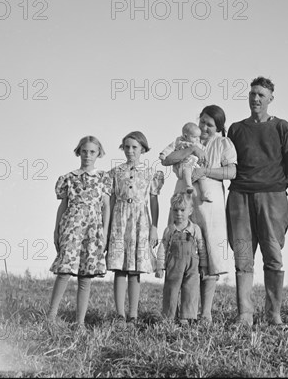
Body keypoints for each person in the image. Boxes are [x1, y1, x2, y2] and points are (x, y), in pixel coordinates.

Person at [226, 77, 288, 326]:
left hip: (273, 197)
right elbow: (228, 162)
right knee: (243, 257)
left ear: (270, 99)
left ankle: (273, 313)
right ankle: (244, 313)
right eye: (252, 94)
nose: (255, 99)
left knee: (273, 255)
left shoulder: (282, 127)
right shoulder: (236, 129)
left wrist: (274, 187)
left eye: (261, 95)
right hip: (240, 197)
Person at [160, 105, 237, 323]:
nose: (204, 127)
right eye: (202, 121)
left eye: (210, 125)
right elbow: (166, 159)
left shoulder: (223, 143)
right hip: (184, 197)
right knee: (179, 248)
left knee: (209, 252)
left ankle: (205, 313)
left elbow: (231, 171)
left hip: (209, 201)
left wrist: (205, 171)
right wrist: (192, 150)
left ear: (219, 128)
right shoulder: (186, 139)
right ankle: (177, 312)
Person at [48, 135, 111, 328]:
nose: (87, 155)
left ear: (98, 153)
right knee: (64, 271)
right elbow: (62, 206)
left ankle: (80, 322)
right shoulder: (68, 178)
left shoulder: (103, 178)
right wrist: (57, 230)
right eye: (84, 151)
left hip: (93, 230)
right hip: (71, 227)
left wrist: (105, 233)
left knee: (86, 276)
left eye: (92, 152)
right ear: (79, 152)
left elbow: (106, 207)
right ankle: (51, 316)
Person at [105, 131, 164, 324]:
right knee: (120, 267)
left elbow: (153, 201)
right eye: (127, 147)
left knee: (135, 269)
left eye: (135, 147)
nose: (131, 151)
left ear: (143, 149)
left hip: (140, 219)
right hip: (120, 219)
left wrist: (154, 226)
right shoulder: (115, 173)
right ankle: (120, 313)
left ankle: (133, 314)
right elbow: (112, 200)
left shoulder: (149, 173)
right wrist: (107, 228)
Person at [155, 192, 208, 324]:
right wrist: (160, 266)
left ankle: (186, 316)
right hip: (174, 263)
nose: (179, 213)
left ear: (190, 211)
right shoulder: (170, 230)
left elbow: (201, 247)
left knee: (190, 289)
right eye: (175, 210)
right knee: (171, 289)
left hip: (192, 265)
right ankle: (169, 316)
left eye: (182, 210)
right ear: (171, 210)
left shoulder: (195, 229)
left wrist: (204, 264)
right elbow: (163, 247)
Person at [163, 122, 212, 202]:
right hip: (184, 164)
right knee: (187, 171)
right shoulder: (179, 142)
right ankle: (188, 186)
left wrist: (204, 159)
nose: (197, 139)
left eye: (198, 137)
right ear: (186, 136)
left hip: (195, 166)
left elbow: (203, 153)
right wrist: (163, 154)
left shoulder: (198, 144)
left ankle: (205, 193)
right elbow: (169, 148)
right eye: (194, 137)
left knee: (202, 177)